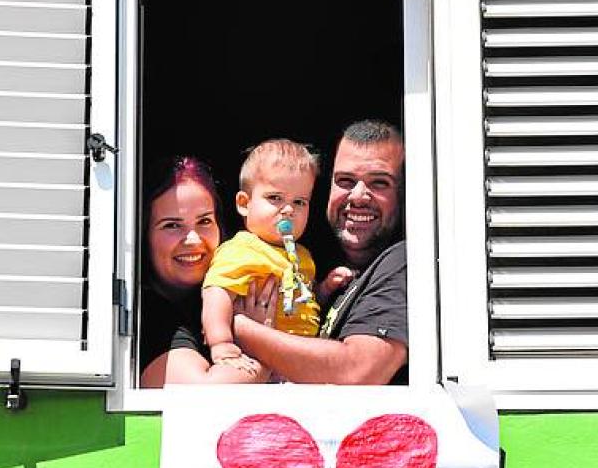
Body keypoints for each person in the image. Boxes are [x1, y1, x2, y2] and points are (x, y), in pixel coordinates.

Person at [231, 120, 408, 385]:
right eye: (345, 181)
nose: (358, 196)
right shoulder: (313, 262)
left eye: (379, 183)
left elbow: (359, 371)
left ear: (404, 193)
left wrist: (239, 327)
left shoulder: (405, 261)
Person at [201, 139, 347, 368]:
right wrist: (221, 342)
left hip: (302, 361)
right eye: (275, 198)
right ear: (243, 203)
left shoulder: (302, 256)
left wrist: (325, 288)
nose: (288, 210)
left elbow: (305, 302)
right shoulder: (241, 250)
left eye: (299, 202)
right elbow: (215, 295)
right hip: (256, 360)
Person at [138, 157, 268, 387]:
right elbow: (200, 392)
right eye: (172, 225)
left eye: (205, 221)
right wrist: (262, 342)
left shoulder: (233, 293)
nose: (193, 238)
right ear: (143, 234)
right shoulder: (145, 311)